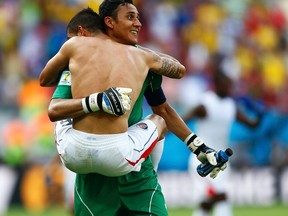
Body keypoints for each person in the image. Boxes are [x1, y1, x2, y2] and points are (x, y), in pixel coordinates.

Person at [47, 2, 224, 215]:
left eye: (138, 17)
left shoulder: (144, 62)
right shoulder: (79, 62)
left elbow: (164, 110)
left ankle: (150, 171)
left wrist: (200, 148)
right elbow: (58, 110)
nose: (138, 24)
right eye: (131, 17)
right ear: (109, 23)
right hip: (97, 179)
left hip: (136, 175)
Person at [183, 69, 261, 216]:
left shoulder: (230, 105)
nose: (230, 89)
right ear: (217, 85)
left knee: (206, 203)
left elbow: (252, 125)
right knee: (221, 196)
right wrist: (163, 131)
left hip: (222, 159)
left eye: (230, 86)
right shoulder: (205, 104)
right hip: (202, 158)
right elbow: (181, 121)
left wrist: (260, 115)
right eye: (227, 85)